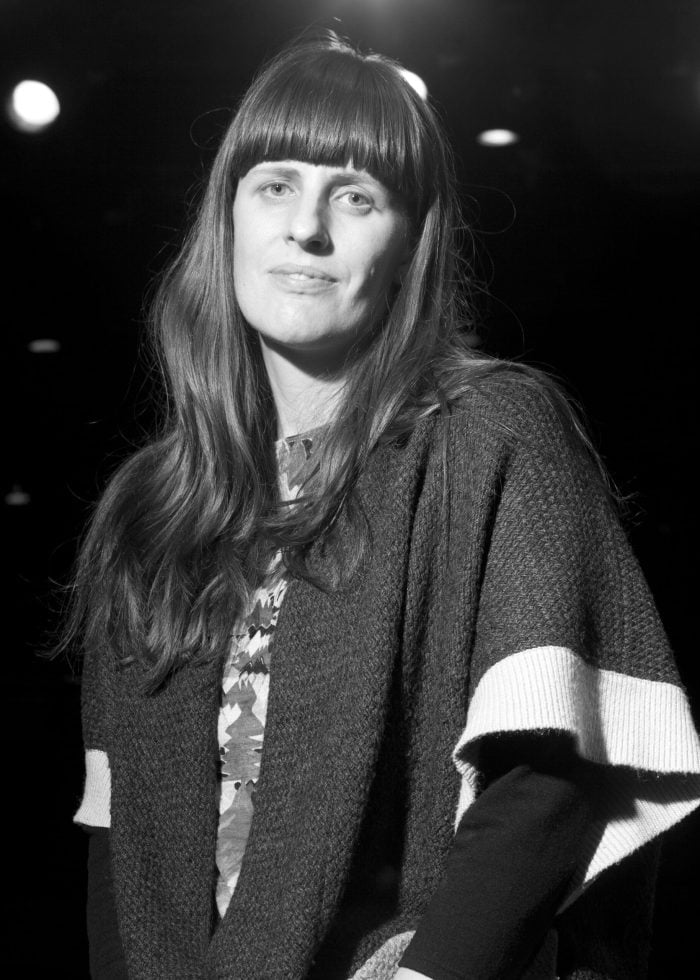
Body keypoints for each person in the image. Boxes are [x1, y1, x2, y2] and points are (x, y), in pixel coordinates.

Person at [65, 31, 700, 980]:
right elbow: (121, 837)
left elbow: (549, 776)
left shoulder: (493, 432)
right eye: (274, 185)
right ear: (228, 220)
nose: (306, 229)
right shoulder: (153, 506)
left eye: (356, 197)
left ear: (410, 247)